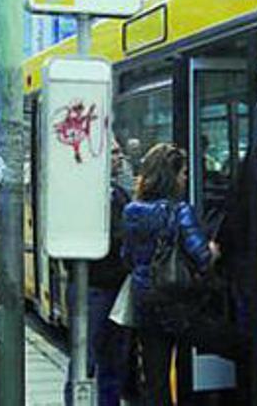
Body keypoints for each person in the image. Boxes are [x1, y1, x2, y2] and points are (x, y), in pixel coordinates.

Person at [122, 143, 221, 406]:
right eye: (183, 172)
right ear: (171, 175)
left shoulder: (131, 211)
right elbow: (202, 257)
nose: (185, 178)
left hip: (146, 303)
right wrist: (213, 249)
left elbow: (126, 257)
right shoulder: (180, 211)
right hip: (179, 303)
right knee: (229, 347)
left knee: (156, 378)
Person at [64, 139, 132, 406]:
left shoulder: (119, 193)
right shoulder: (85, 195)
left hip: (114, 288)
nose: (120, 156)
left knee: (114, 362)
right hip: (92, 289)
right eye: (114, 152)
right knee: (85, 362)